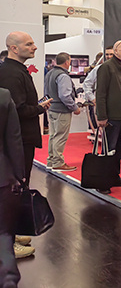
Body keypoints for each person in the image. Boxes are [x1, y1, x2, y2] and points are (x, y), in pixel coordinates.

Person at [0, 32, 51, 259]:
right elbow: (17, 110)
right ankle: (7, 242)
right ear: (14, 48)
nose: (34, 47)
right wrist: (40, 108)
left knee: (17, 189)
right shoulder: (11, 74)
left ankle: (12, 233)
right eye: (29, 44)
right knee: (12, 191)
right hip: (18, 141)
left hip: (21, 140)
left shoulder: (16, 71)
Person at [95, 40, 121, 193]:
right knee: (109, 150)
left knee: (118, 150)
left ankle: (114, 177)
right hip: (112, 117)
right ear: (116, 51)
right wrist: (102, 116)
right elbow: (101, 93)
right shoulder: (106, 67)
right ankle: (103, 183)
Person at [0, 87, 28, 283]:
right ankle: (8, 279)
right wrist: (19, 175)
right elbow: (14, 139)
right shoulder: (3, 96)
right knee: (2, 234)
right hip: (2, 176)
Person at [44, 52, 82, 171]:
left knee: (53, 135)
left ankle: (51, 160)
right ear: (67, 62)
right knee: (60, 136)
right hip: (61, 110)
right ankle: (58, 162)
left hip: (52, 108)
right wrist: (74, 107)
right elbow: (65, 95)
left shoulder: (50, 73)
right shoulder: (63, 76)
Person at [83, 46, 114, 131]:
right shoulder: (98, 69)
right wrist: (93, 98)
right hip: (102, 104)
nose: (109, 56)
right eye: (107, 54)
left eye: (111, 54)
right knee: (103, 131)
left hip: (116, 106)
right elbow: (86, 84)